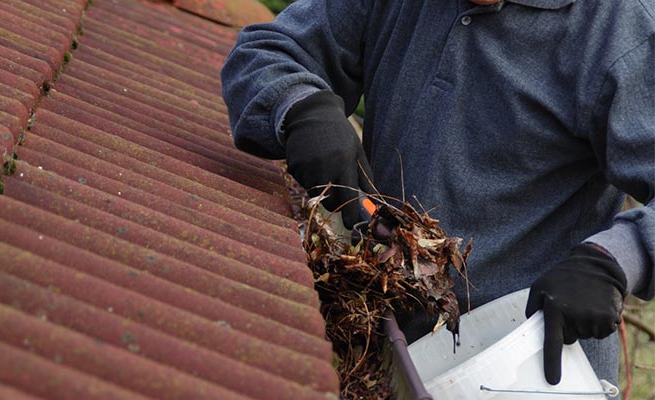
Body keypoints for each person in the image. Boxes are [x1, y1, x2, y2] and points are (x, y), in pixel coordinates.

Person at [221, 0, 655, 388]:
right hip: (372, 346)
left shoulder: (624, 30)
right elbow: (266, 51)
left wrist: (616, 259)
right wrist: (301, 108)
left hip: (527, 368)